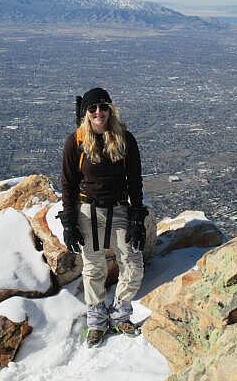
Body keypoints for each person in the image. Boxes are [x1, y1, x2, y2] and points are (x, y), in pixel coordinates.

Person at [58, 87, 148, 348]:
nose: (99, 112)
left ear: (111, 109)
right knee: (94, 266)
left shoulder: (125, 139)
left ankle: (121, 313)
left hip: (119, 208)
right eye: (93, 108)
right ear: (86, 113)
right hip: (87, 210)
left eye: (103, 107)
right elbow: (68, 184)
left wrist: (136, 217)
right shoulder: (75, 141)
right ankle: (97, 318)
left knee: (132, 261)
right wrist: (69, 221)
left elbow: (135, 180)